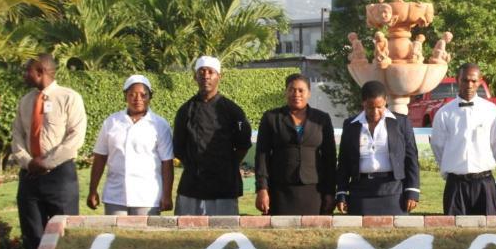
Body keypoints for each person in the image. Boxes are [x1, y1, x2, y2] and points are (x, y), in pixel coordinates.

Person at [10, 54, 87, 249]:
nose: (25, 75)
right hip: (30, 176)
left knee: (64, 233)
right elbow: (17, 136)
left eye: (28, 70)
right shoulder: (25, 101)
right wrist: (27, 162)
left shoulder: (69, 98)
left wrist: (48, 162)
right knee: (32, 233)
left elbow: (75, 137)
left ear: (40, 71)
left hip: (59, 176)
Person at [173, 56, 252, 216]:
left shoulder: (233, 111)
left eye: (211, 72)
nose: (206, 76)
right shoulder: (185, 110)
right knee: (187, 236)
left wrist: (225, 165)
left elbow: (243, 144)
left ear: (219, 76)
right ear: (195, 77)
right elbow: (178, 148)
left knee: (223, 236)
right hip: (192, 185)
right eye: (201, 72)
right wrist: (195, 165)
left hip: (224, 186)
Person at [87, 75, 174, 216]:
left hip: (147, 196)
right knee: (115, 236)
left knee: (144, 236)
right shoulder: (111, 122)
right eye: (132, 94)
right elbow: (100, 157)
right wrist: (93, 190)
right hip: (116, 194)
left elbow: (167, 162)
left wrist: (167, 194)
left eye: (143, 95)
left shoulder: (160, 125)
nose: (137, 99)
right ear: (125, 96)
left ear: (150, 97)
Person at [254, 74, 336, 215]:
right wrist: (262, 188)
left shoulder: (322, 119)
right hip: (280, 189)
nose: (296, 94)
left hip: (314, 190)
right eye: (291, 90)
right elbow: (262, 155)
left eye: (301, 90)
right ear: (286, 92)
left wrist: (330, 192)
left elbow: (330, 157)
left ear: (309, 93)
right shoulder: (271, 117)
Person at [336, 80, 420, 215]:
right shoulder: (351, 125)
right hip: (360, 192)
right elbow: (344, 162)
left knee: (394, 234)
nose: (375, 112)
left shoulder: (401, 123)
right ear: (363, 103)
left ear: (386, 101)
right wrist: (341, 192)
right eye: (370, 107)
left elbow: (411, 159)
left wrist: (412, 190)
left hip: (393, 191)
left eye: (380, 107)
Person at [430, 63, 496, 215]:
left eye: (474, 81)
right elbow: (437, 146)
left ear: (480, 81)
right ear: (457, 80)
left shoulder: (491, 110)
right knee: (454, 234)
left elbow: (495, 144)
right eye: (465, 80)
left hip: (484, 182)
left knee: (489, 232)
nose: (469, 85)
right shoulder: (444, 113)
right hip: (456, 184)